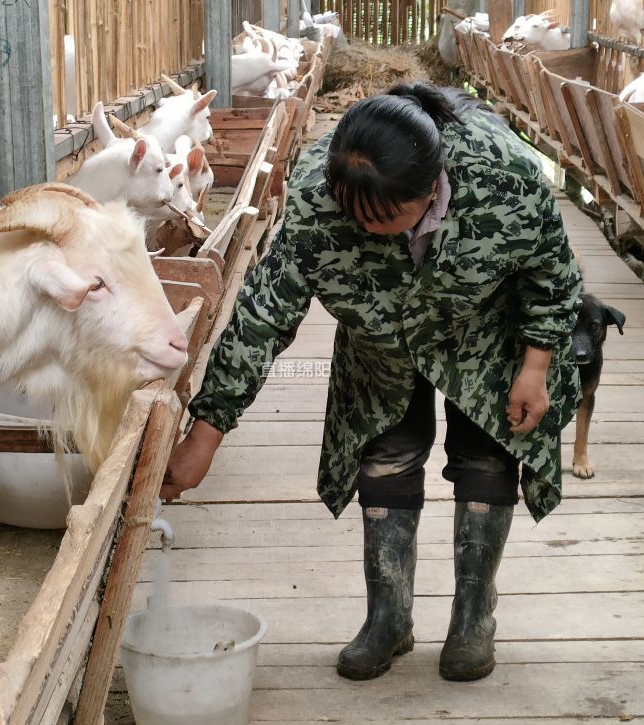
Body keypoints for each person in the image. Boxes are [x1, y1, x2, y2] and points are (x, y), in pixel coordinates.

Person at [160, 82, 582, 682]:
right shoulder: (314, 195)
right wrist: (204, 437)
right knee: (384, 454)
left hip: (487, 330)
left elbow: (554, 276)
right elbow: (263, 314)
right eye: (358, 216)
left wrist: (535, 369)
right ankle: (388, 618)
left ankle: (472, 616)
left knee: (488, 452)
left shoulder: (505, 175)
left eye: (388, 217)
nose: (372, 229)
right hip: (379, 340)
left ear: (434, 186)